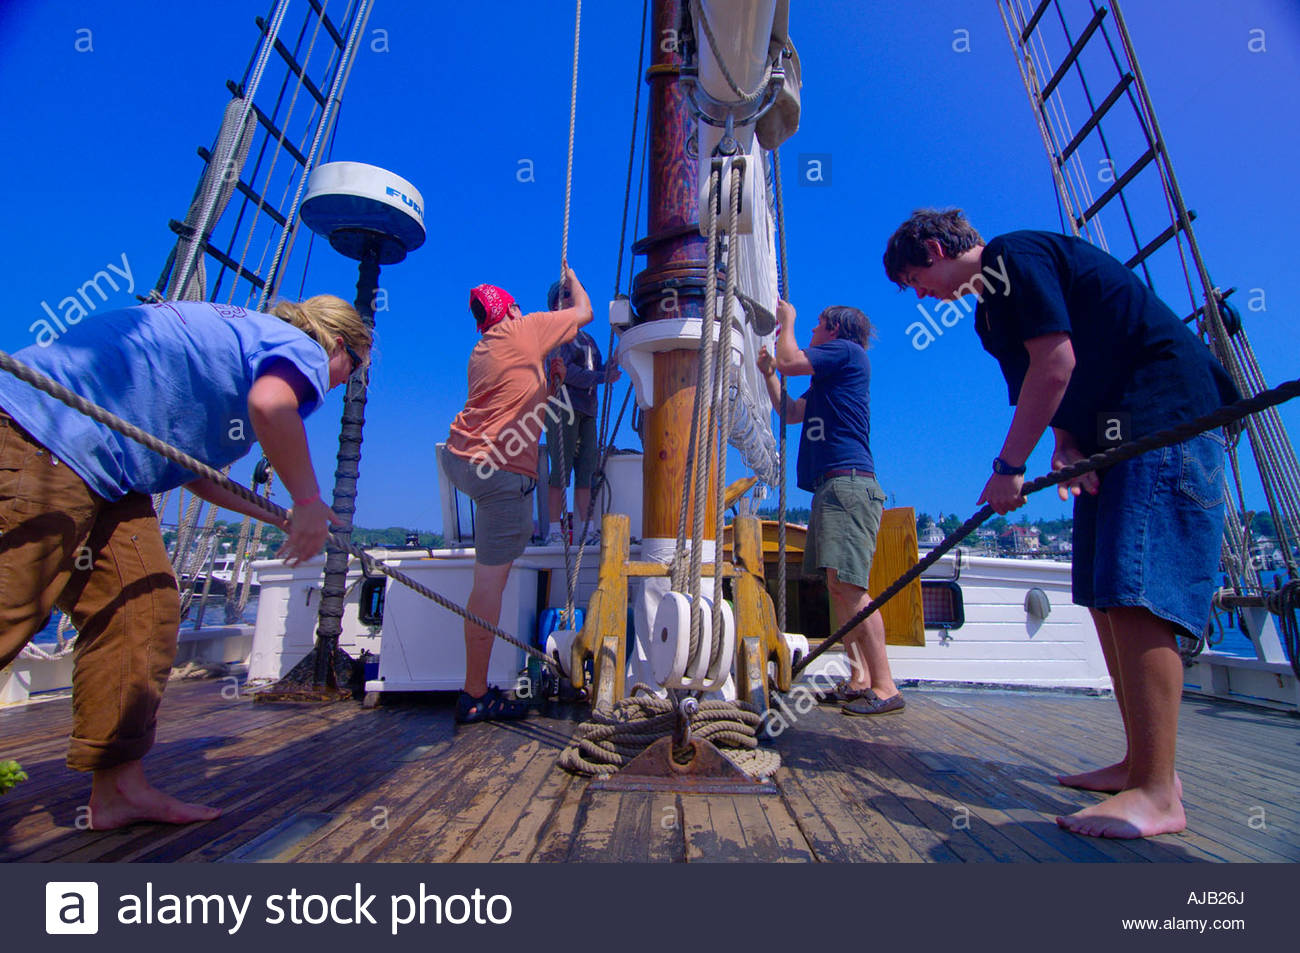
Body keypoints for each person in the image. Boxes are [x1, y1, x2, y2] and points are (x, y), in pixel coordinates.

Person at [883, 208, 1239, 838]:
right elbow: (1041, 390)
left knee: (1136, 598)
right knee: (1103, 597)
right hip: (1112, 437)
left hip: (1165, 417)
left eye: (916, 279)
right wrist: (1066, 447)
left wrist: (1008, 466)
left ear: (937, 250)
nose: (920, 295)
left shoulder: (1013, 259)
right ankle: (1141, 764)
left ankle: (1160, 793)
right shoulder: (989, 316)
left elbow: (1057, 362)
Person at [0, 295, 370, 829]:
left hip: (108, 473)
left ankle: (118, 787)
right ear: (339, 345)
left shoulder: (244, 349)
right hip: (46, 431)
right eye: (352, 368)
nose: (341, 382)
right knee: (11, 604)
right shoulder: (300, 348)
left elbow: (198, 474)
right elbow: (272, 405)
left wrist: (285, 516)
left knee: (143, 611)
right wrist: (312, 503)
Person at [443, 265, 593, 722]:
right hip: (499, 474)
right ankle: (474, 695)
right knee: (489, 586)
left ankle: (476, 687)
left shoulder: (483, 349)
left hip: (461, 460)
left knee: (490, 580)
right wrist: (572, 276)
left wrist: (552, 383)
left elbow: (520, 401)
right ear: (510, 310)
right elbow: (584, 311)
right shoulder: (523, 327)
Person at [757, 300, 903, 716]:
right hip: (834, 487)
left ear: (835, 331)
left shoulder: (847, 353)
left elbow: (790, 359)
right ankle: (859, 680)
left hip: (848, 486)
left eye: (818, 327)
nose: (813, 335)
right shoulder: (829, 377)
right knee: (839, 589)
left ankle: (886, 686)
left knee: (852, 589)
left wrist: (787, 323)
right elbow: (789, 412)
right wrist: (769, 373)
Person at [542, 280, 619, 545]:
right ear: (555, 305)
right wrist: (601, 377)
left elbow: (598, 372)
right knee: (559, 472)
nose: (571, 299)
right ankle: (554, 530)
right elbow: (568, 374)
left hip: (587, 412)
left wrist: (617, 355)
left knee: (585, 472)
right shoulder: (555, 337)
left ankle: (585, 530)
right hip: (562, 409)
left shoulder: (589, 341)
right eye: (565, 296)